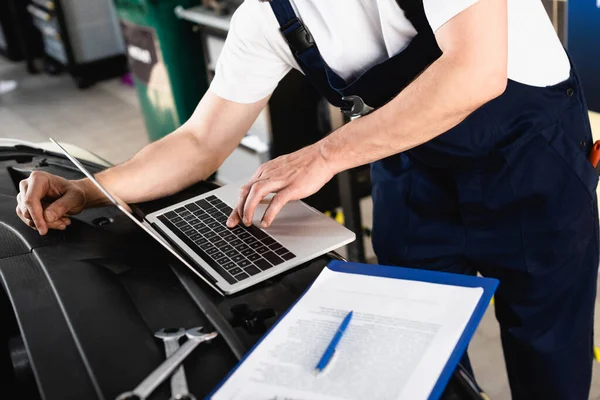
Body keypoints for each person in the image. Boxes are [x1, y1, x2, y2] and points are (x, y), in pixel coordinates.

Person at [15, 0, 598, 397]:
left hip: (533, 163)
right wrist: (86, 188)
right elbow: (199, 141)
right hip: (415, 171)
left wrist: (322, 156)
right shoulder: (268, 18)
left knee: (548, 350)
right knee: (419, 345)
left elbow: (475, 71)